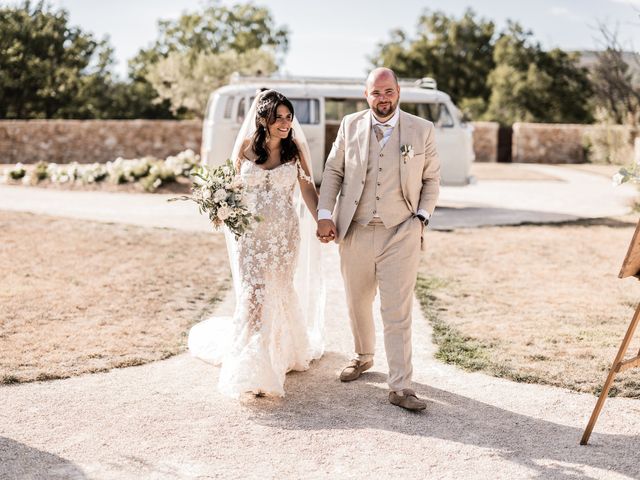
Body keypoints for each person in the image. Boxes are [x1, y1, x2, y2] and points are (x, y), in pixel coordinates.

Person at [316, 68, 440, 411]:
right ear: (366, 94)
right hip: (355, 228)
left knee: (396, 310)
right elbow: (333, 171)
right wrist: (325, 213)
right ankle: (363, 356)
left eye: (388, 92)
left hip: (401, 230)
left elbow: (431, 179)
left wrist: (421, 218)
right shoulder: (349, 125)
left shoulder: (421, 129)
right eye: (376, 93)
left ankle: (401, 386)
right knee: (357, 301)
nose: (382, 99)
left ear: (398, 92)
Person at [188, 90, 325, 399]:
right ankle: (253, 361)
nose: (285, 123)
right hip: (250, 237)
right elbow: (230, 187)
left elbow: (308, 191)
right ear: (263, 118)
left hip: (283, 238)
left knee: (277, 290)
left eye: (289, 117)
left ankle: (278, 352)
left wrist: (324, 222)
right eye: (278, 117)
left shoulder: (295, 151)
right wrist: (219, 207)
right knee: (253, 295)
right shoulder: (246, 147)